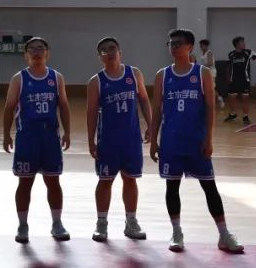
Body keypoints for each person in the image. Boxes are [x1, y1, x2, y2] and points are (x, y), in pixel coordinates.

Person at [150, 28, 244, 254]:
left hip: (196, 141)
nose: (173, 47)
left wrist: (209, 139)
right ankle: (176, 232)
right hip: (171, 142)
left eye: (178, 43)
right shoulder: (163, 75)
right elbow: (157, 110)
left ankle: (224, 234)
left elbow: (210, 108)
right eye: (170, 43)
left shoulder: (202, 73)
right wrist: (153, 140)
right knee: (172, 187)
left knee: (209, 187)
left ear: (189, 47)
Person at [3, 37, 72, 243]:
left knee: (53, 181)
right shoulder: (19, 79)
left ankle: (57, 223)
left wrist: (68, 132)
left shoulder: (56, 77)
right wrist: (6, 134)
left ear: (47, 53)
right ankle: (22, 225)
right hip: (27, 138)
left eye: (40, 48)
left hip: (50, 138)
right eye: (32, 49)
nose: (36, 51)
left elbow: (64, 106)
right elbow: (9, 107)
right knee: (25, 183)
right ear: (26, 55)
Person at [86, 36, 152, 242]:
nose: (109, 52)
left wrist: (151, 125)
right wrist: (90, 140)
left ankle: (131, 222)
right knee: (105, 181)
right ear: (100, 57)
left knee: (130, 179)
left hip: (131, 139)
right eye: (104, 50)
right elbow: (91, 112)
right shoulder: (96, 81)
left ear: (120, 51)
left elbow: (144, 100)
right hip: (108, 140)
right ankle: (101, 223)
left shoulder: (134, 73)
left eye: (112, 48)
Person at [224, 36, 256, 125]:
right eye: (242, 42)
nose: (244, 44)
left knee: (245, 99)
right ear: (237, 44)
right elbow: (228, 66)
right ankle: (232, 114)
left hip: (244, 79)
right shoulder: (231, 54)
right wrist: (228, 77)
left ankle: (245, 116)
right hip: (234, 80)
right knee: (231, 98)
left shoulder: (248, 52)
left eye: (244, 42)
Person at [196, 39, 224, 109]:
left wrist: (201, 66)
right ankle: (213, 100)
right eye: (200, 46)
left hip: (211, 72)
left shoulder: (209, 53)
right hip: (205, 72)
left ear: (206, 46)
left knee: (211, 88)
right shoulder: (203, 53)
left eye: (202, 46)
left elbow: (210, 63)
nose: (201, 47)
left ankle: (219, 99)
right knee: (205, 87)